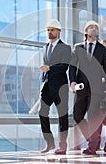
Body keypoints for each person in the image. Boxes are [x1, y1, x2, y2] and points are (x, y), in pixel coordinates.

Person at [69, 20, 106, 155]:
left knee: (93, 117)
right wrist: (72, 82)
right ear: (86, 31)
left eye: (96, 28)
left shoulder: (102, 49)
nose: (94, 29)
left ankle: (92, 146)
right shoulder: (78, 47)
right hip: (81, 88)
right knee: (77, 115)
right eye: (91, 27)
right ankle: (93, 139)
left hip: (97, 89)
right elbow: (72, 66)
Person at [38, 19, 72, 155]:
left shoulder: (66, 48)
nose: (49, 32)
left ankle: (62, 146)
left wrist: (49, 68)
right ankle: (50, 143)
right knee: (42, 113)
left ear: (58, 32)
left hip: (60, 87)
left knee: (62, 117)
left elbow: (64, 66)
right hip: (46, 86)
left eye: (52, 30)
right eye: (48, 30)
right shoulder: (45, 47)